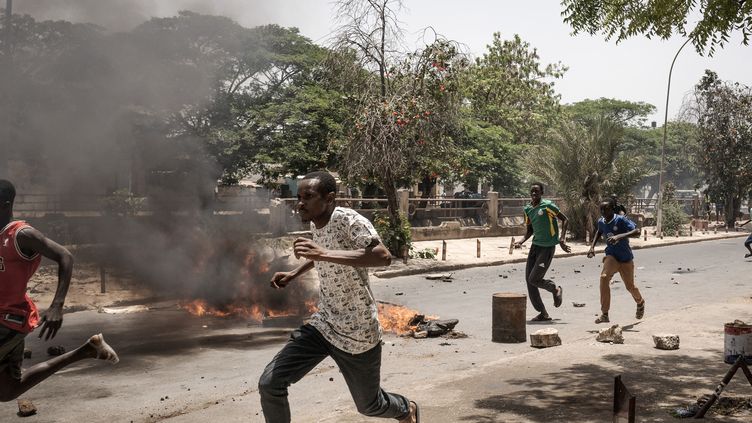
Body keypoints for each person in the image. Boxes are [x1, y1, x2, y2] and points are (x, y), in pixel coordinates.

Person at [258, 171, 419, 423]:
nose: (300, 203)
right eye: (299, 197)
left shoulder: (348, 220)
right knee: (270, 383)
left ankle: (404, 408)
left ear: (330, 198)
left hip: (357, 331)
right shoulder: (315, 221)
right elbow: (325, 254)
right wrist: (294, 273)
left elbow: (382, 257)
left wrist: (322, 253)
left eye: (308, 197)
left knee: (370, 405)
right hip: (324, 324)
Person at [0, 180, 118, 402]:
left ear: (5, 205)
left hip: (9, 321)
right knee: (7, 391)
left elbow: (65, 256)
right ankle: (86, 351)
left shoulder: (21, 235)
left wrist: (57, 305)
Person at [513, 182, 570, 322]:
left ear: (541, 193)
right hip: (535, 247)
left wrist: (562, 239)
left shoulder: (548, 206)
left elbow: (565, 219)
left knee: (534, 279)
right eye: (532, 192)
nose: (534, 194)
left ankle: (555, 289)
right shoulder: (527, 209)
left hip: (547, 247)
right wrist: (521, 241)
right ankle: (543, 313)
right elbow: (530, 231)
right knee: (529, 281)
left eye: (536, 192)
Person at [587, 201, 645, 324]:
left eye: (606, 210)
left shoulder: (621, 220)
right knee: (603, 277)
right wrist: (592, 247)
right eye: (601, 210)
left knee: (630, 287)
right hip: (612, 256)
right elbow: (599, 231)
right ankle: (605, 314)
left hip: (625, 258)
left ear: (612, 209)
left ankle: (640, 302)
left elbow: (637, 231)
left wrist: (619, 236)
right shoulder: (601, 221)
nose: (603, 213)